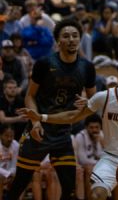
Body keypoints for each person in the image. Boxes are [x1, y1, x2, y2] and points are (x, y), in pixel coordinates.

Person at [18, 58, 118, 200]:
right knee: (96, 195)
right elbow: (73, 116)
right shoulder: (105, 97)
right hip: (111, 159)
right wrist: (42, 117)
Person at [7, 19, 96, 200]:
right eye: (66, 36)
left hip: (62, 132)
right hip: (38, 131)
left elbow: (93, 100)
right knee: (19, 185)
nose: (71, 39)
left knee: (69, 185)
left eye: (75, 35)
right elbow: (29, 96)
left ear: (80, 39)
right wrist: (35, 122)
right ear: (58, 41)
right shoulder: (45, 63)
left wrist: (86, 101)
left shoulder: (87, 67)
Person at [73, 114, 103, 200]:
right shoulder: (80, 136)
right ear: (86, 127)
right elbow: (83, 159)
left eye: (97, 127)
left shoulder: (102, 136)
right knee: (90, 169)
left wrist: (98, 142)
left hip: (95, 165)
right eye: (91, 127)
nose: (94, 130)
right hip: (83, 166)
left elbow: (104, 157)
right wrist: (97, 165)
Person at [0, 124, 18, 199]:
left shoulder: (16, 145)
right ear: (0, 135)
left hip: (9, 173)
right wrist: (7, 174)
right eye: (6, 136)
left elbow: (14, 165)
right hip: (2, 173)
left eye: (12, 136)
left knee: (21, 178)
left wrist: (11, 174)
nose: (9, 139)